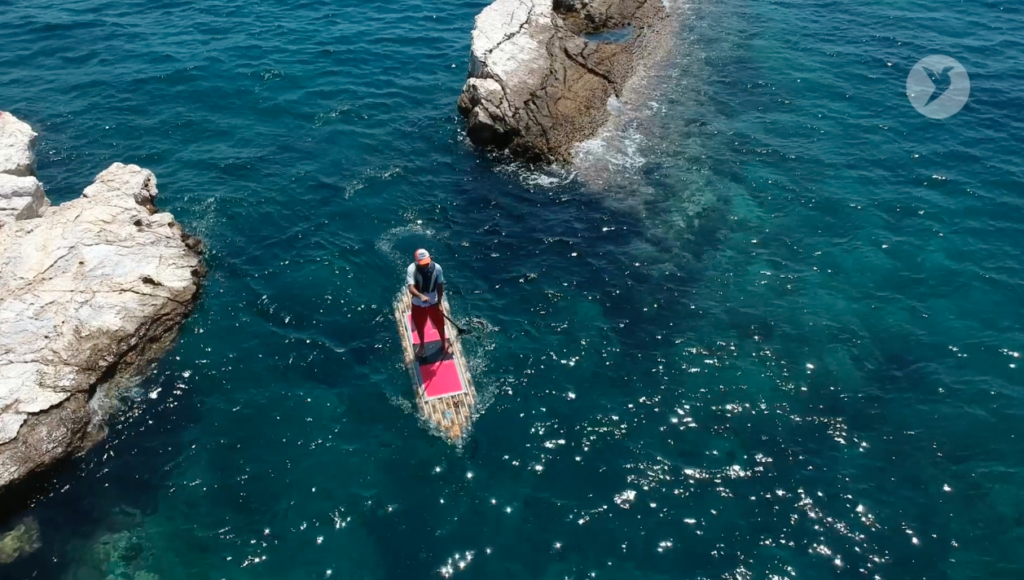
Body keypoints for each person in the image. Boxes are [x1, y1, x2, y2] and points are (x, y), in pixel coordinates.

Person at [407, 249, 450, 358]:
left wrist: (439, 302)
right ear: (417, 261)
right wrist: (421, 296)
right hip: (418, 301)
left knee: (440, 323)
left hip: (433, 300)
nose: (425, 266)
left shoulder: (438, 268)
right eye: (423, 264)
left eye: (427, 263)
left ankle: (443, 342)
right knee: (420, 325)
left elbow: (440, 286)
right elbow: (411, 288)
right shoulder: (411, 269)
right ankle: (422, 346)